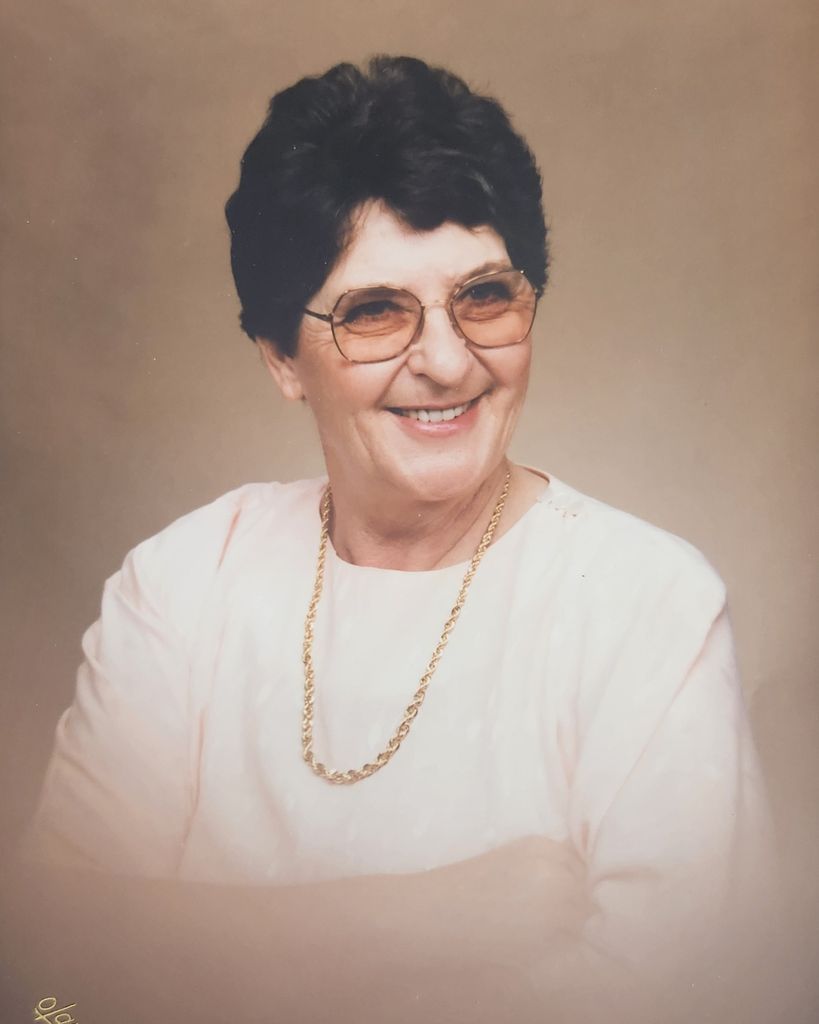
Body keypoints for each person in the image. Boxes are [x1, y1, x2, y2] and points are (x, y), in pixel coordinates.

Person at [20, 55, 774, 1020]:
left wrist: (187, 954)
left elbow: (682, 1004)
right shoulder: (180, 583)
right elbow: (49, 987)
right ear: (281, 359)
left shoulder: (648, 602)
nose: (447, 362)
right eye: (375, 312)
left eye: (485, 296)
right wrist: (417, 920)